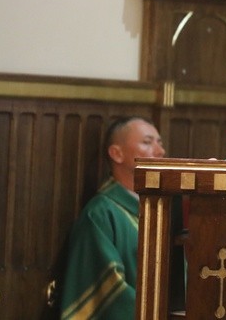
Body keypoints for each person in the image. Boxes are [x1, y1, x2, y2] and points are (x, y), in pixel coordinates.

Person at [60, 116, 166, 319]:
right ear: (117, 154)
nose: (160, 151)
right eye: (147, 142)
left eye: (159, 143)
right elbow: (107, 291)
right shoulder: (100, 214)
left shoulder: (159, 211)